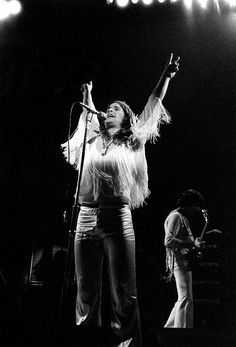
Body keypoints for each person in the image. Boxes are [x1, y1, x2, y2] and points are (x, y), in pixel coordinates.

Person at [61, 53, 180, 346]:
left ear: (127, 117)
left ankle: (126, 343)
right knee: (86, 290)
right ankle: (87, 339)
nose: (110, 110)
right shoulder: (90, 139)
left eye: (117, 109)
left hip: (118, 217)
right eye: (108, 108)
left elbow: (152, 108)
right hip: (85, 215)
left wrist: (165, 77)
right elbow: (86, 118)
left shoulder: (132, 140)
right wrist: (89, 97)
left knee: (123, 291)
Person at [164, 189, 206, 329]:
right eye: (196, 205)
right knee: (185, 297)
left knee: (184, 297)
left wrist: (194, 243)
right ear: (190, 204)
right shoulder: (175, 216)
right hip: (178, 261)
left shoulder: (182, 217)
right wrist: (190, 243)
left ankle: (171, 328)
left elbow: (183, 240)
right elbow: (168, 240)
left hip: (184, 260)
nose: (197, 209)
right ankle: (181, 331)